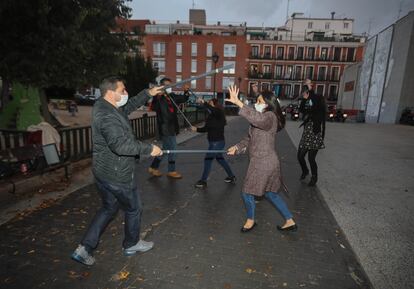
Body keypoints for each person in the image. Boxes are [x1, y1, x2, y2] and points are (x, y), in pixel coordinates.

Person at [71, 77, 164, 266]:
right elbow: (120, 145)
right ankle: (131, 244)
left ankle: (84, 248)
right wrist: (149, 149)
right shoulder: (106, 116)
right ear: (111, 92)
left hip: (104, 173)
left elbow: (127, 108)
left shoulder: (105, 105)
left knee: (109, 208)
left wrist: (147, 94)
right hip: (117, 175)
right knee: (134, 208)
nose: (125, 93)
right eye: (122, 90)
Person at [226, 85, 297, 233]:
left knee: (247, 192)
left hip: (262, 163)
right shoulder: (261, 119)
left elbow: (257, 119)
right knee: (270, 193)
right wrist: (237, 148)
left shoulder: (270, 117)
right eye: (256, 101)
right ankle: (290, 220)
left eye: (259, 101)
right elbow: (248, 139)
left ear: (268, 104)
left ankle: (250, 221)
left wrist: (239, 103)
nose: (256, 104)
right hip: (268, 162)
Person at [148, 78, 190, 179]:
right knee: (174, 149)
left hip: (172, 127)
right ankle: (171, 171)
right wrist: (157, 95)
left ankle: (153, 167)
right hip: (165, 128)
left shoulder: (172, 96)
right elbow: (153, 107)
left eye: (170, 85)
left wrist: (186, 91)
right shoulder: (158, 98)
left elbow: (184, 98)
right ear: (162, 86)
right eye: (167, 85)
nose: (169, 87)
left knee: (166, 149)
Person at [191, 98, 236, 188]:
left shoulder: (218, 113)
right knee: (220, 159)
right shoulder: (211, 116)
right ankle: (231, 176)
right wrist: (196, 129)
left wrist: (204, 102)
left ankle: (203, 181)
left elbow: (213, 110)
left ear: (216, 105)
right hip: (214, 142)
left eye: (211, 103)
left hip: (217, 142)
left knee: (208, 160)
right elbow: (206, 129)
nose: (209, 105)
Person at [297, 80, 326, 186]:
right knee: (300, 156)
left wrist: (310, 88)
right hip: (307, 132)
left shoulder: (318, 100)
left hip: (315, 132)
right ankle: (305, 171)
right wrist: (304, 100)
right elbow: (302, 110)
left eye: (308, 86)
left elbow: (315, 107)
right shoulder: (307, 100)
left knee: (311, 158)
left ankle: (314, 177)